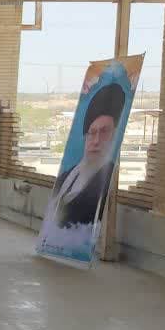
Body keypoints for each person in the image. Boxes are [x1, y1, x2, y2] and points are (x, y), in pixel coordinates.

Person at [47, 84, 126, 229]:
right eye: (92, 133)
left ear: (114, 136)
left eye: (104, 132)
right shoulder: (66, 177)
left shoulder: (107, 177)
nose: (96, 141)